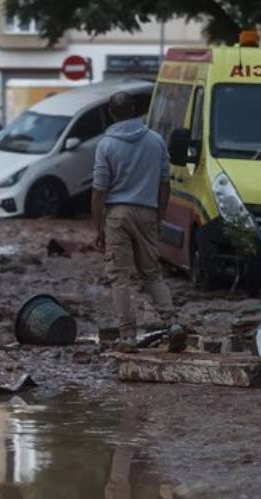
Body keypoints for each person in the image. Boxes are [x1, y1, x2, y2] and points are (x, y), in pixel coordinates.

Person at [92, 91, 186, 352]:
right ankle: (173, 325)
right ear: (134, 109)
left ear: (111, 113)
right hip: (147, 211)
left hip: (117, 214)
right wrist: (159, 216)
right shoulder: (155, 141)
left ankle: (128, 338)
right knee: (152, 274)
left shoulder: (106, 145)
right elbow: (165, 184)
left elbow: (99, 190)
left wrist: (98, 227)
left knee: (120, 277)